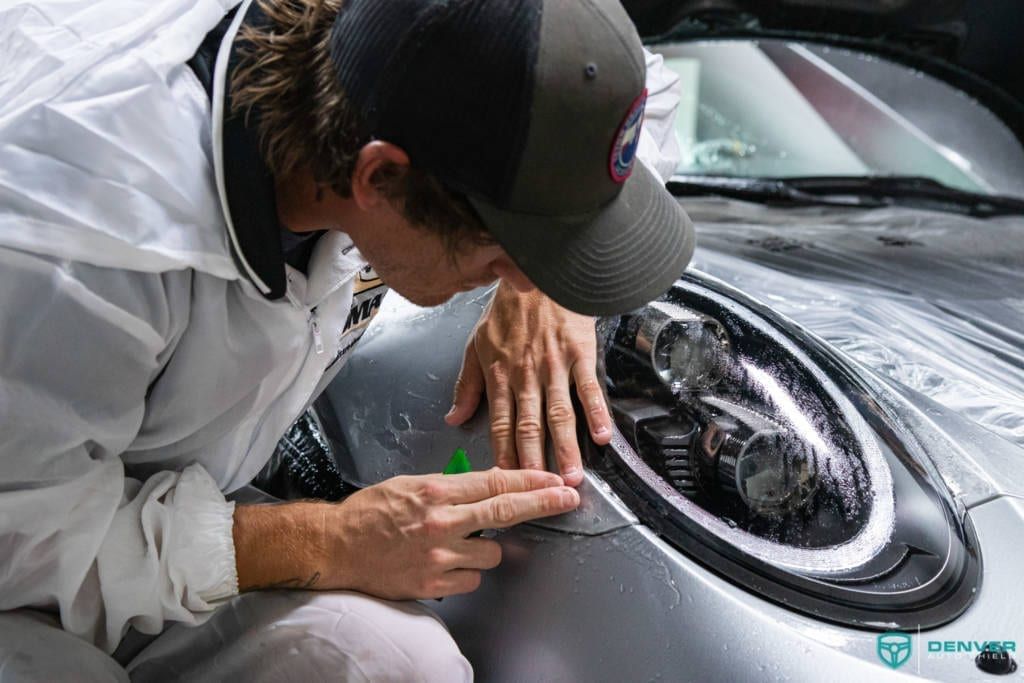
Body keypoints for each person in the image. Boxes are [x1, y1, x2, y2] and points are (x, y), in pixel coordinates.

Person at [0, 0, 694, 679]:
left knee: (400, 663)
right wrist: (324, 540)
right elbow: (23, 536)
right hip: (27, 545)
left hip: (153, 505)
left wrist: (544, 283)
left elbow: (636, 87)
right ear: (378, 177)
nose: (509, 277)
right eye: (503, 250)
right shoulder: (78, 241)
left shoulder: (393, 56)